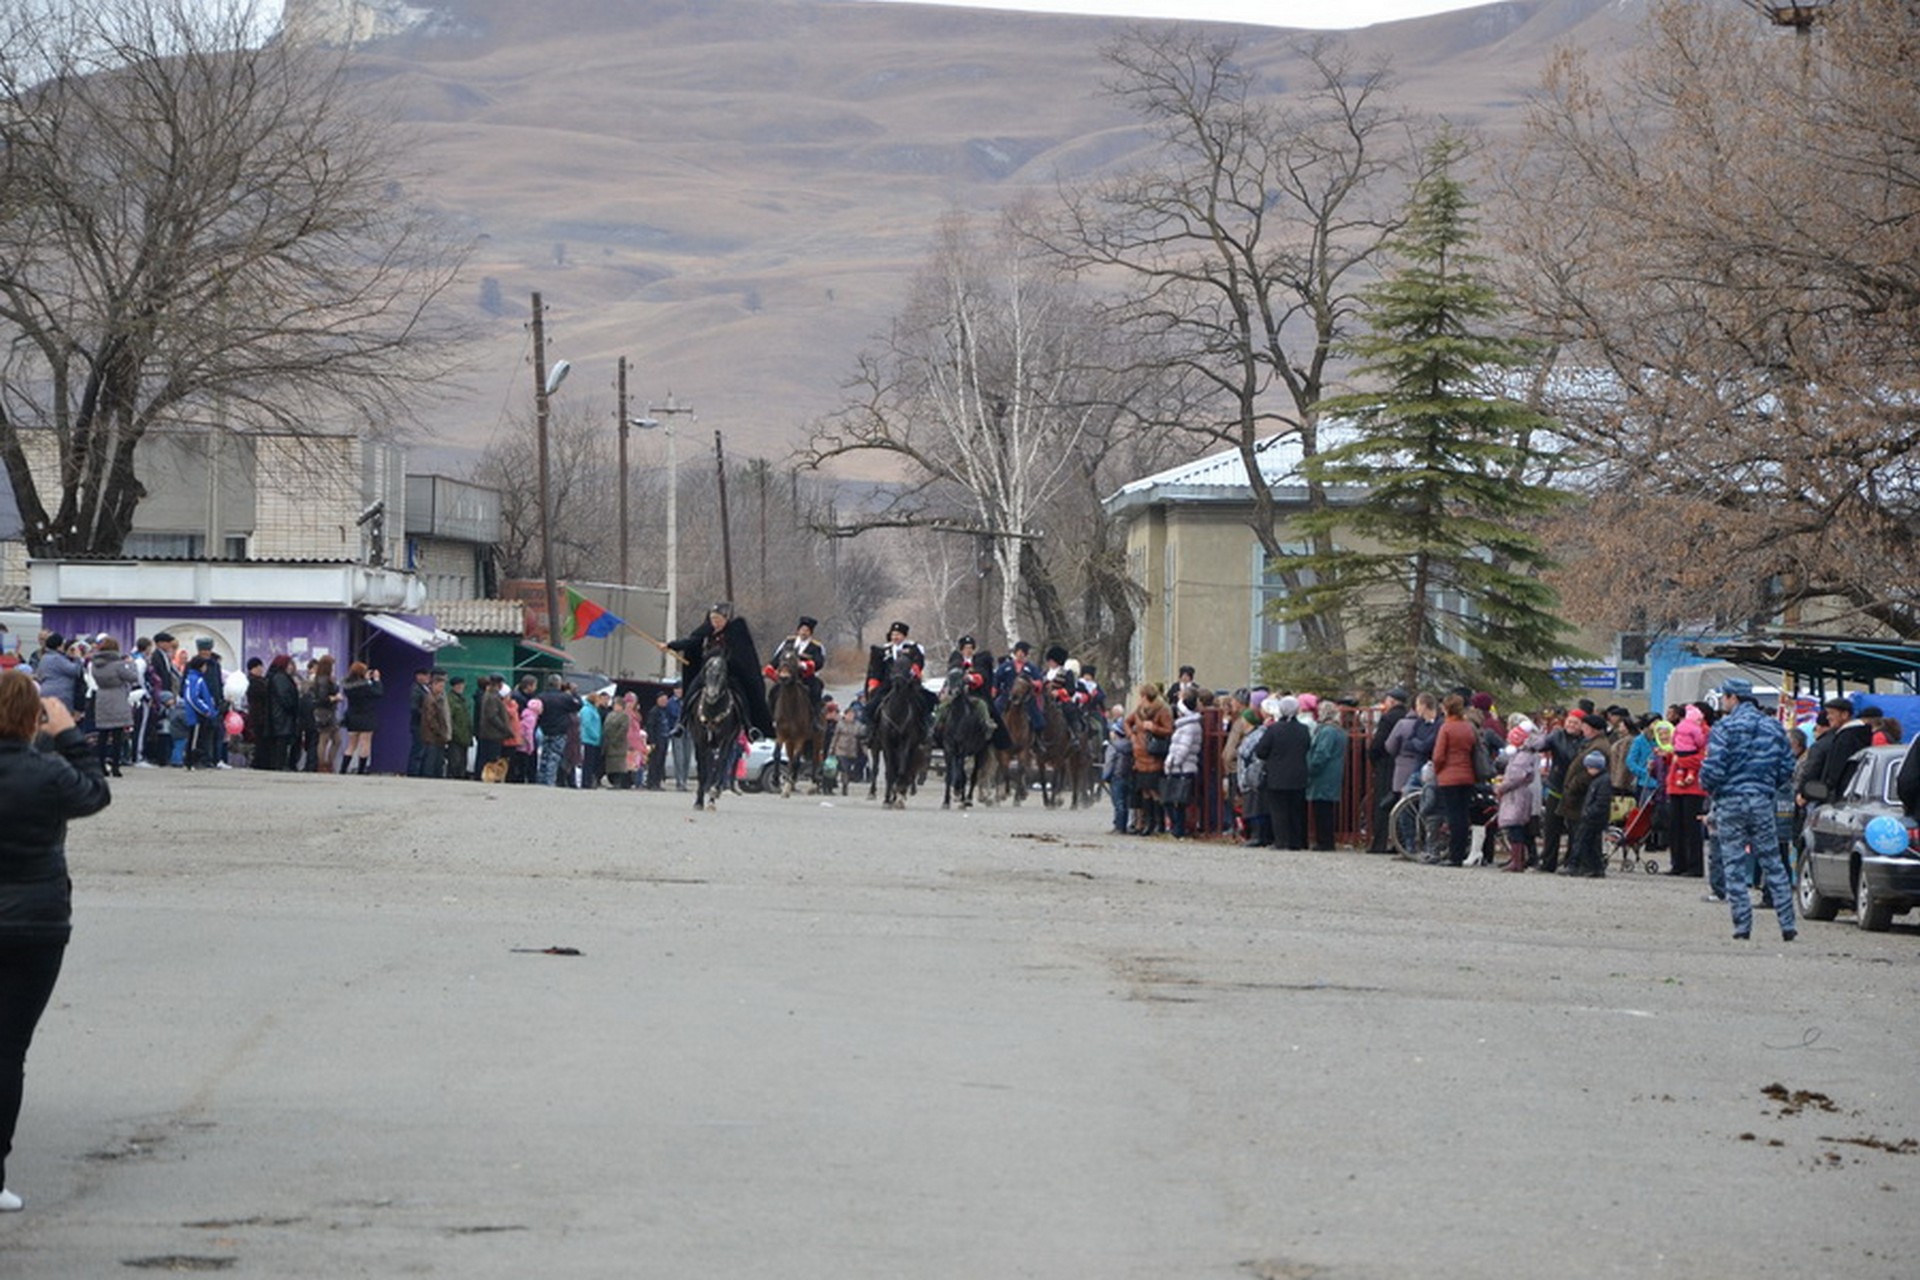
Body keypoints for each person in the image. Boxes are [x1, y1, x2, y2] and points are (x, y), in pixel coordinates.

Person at [0, 669, 113, 1213]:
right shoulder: (46, 772)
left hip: (32, 919)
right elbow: (94, 795)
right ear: (32, 718)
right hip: (35, 922)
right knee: (7, 1050)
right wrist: (68, 735)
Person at [1701, 678, 1798, 941]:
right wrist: (1767, 786)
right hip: (1762, 799)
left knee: (1733, 862)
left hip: (1731, 800)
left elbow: (1713, 769)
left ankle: (1742, 926)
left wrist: (1712, 789)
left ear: (1733, 697)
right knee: (1772, 861)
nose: (1722, 702)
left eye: (1724, 697)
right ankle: (1787, 923)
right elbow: (1787, 767)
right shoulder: (1773, 727)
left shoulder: (1725, 727)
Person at [660, 602, 773, 739]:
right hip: (707, 672)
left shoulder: (735, 632)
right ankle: (682, 723)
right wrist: (671, 646)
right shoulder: (705, 632)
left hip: (729, 673)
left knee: (740, 693)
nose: (716, 623)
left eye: (719, 620)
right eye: (713, 619)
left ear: (726, 619)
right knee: (691, 690)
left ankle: (749, 726)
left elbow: (742, 654)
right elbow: (691, 642)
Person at [1255, 695, 1312, 851]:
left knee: (1278, 809)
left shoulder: (1274, 729)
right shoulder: (1303, 730)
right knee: (1296, 809)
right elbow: (1307, 747)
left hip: (1277, 775)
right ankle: (1296, 841)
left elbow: (1261, 751)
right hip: (1299, 774)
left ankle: (1281, 840)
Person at [1430, 694, 1480, 867]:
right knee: (1463, 815)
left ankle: (1454, 855)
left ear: (1446, 708)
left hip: (1449, 776)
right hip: (1467, 775)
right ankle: (1460, 851)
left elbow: (1438, 756)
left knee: (1453, 816)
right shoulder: (1468, 727)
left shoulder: (1446, 728)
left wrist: (1437, 771)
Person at [1123, 682, 1173, 836]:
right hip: (1139, 756)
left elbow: (1169, 730)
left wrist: (1154, 728)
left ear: (1146, 696)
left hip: (1153, 755)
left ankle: (1159, 824)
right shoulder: (1139, 710)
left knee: (1154, 791)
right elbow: (1127, 722)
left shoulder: (1162, 710)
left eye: (1141, 696)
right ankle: (1148, 823)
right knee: (1144, 791)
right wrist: (1131, 735)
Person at [87, 637, 138, 778]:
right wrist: (131, 665)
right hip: (117, 696)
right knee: (117, 735)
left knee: (102, 734)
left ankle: (101, 765)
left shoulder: (95, 664)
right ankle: (116, 766)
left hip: (102, 696)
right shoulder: (118, 664)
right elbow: (133, 677)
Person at [1366, 688, 1409, 852]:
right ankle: (1401, 841)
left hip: (1386, 764)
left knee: (1383, 804)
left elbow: (1379, 744)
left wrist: (1373, 758)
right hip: (1404, 764)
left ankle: (1379, 842)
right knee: (1400, 802)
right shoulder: (1407, 716)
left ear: (1392, 701)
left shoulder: (1388, 718)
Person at [1495, 724, 1540, 872]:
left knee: (1515, 825)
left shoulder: (1522, 756)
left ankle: (1517, 860)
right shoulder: (1526, 754)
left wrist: (1501, 788)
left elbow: (1516, 776)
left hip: (1516, 795)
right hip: (1519, 793)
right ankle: (1518, 859)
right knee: (1517, 825)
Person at [1305, 700, 1348, 851]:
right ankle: (1325, 840)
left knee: (1322, 809)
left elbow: (1321, 753)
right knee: (1326, 809)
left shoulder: (1327, 731)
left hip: (1323, 775)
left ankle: (1324, 842)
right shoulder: (1339, 731)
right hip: (1332, 774)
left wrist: (1311, 768)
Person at [767, 616, 827, 721]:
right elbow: (778, 657)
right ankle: (770, 718)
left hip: (805, 677)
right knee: (773, 692)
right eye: (802, 630)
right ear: (798, 630)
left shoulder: (816, 646)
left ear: (810, 633)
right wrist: (771, 667)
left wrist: (803, 665)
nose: (804, 633)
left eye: (807, 631)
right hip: (787, 675)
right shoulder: (788, 642)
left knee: (817, 688)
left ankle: (815, 717)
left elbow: (819, 662)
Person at [1162, 689, 1203, 839]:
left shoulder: (1189, 727)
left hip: (1182, 767)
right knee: (1173, 800)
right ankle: (1177, 827)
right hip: (1180, 767)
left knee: (1178, 801)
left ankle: (1179, 829)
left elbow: (1183, 748)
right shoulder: (1186, 726)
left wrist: (1172, 761)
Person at [1568, 750, 1614, 878]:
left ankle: (1587, 867)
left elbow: (1601, 802)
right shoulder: (1599, 780)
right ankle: (1594, 868)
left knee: (1586, 842)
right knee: (1590, 843)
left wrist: (1589, 812)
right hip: (1594, 817)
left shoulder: (1602, 781)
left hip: (1594, 818)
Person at [340, 662, 383, 775]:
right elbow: (378, 693)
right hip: (366, 716)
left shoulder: (348, 687)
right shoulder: (365, 687)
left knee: (351, 744)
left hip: (352, 716)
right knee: (365, 743)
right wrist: (376, 680)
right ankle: (361, 769)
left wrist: (367, 680)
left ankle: (343, 769)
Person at [644, 692, 676, 791]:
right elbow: (650, 726)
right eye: (662, 699)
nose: (664, 702)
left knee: (661, 762)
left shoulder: (665, 711)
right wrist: (652, 741)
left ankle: (657, 782)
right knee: (654, 762)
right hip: (656, 740)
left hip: (664, 739)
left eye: (666, 700)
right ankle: (652, 782)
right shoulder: (654, 711)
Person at [602, 693, 633, 788]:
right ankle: (612, 781)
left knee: (618, 765)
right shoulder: (610, 714)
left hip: (618, 744)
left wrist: (615, 738)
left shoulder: (624, 716)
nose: (614, 706)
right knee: (610, 764)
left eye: (616, 704)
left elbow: (623, 729)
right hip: (608, 743)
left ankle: (618, 782)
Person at [446, 675, 473, 780]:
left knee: (462, 761)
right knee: (454, 761)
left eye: (462, 685)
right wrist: (454, 732)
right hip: (456, 736)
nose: (461, 687)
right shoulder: (451, 699)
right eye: (459, 685)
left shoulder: (462, 700)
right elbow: (450, 718)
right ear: (454, 686)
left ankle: (460, 778)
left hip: (464, 736)